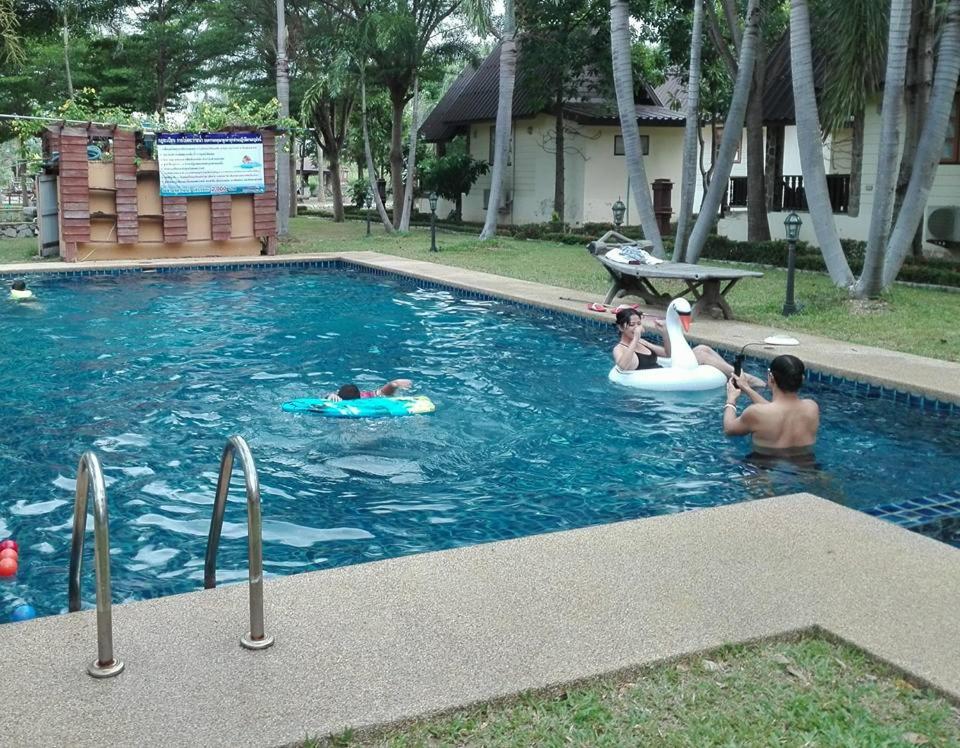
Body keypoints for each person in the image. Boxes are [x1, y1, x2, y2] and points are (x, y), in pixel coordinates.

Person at [612, 307, 765, 386]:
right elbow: (624, 365)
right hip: (659, 380)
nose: (637, 328)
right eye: (632, 325)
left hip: (666, 373)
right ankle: (743, 378)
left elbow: (667, 353)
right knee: (703, 356)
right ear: (621, 327)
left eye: (639, 324)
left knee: (702, 349)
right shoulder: (619, 348)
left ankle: (735, 377)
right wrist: (636, 338)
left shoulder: (642, 342)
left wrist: (665, 332)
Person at [723, 354, 820, 455]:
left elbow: (729, 429)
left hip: (763, 466)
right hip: (805, 464)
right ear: (802, 379)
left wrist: (731, 399)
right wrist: (746, 388)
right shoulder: (812, 407)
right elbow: (776, 410)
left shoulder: (756, 412)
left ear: (771, 378)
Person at [327, 378, 412, 402]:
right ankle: (393, 384)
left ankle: (393, 384)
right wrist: (331, 395)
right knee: (381, 392)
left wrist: (330, 396)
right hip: (367, 395)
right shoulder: (362, 396)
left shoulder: (338, 398)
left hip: (368, 397)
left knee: (382, 394)